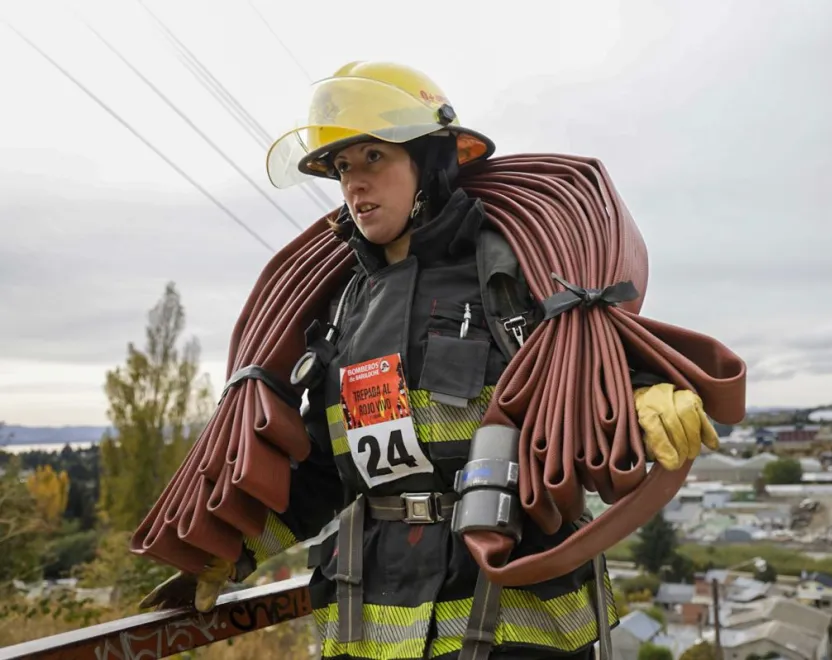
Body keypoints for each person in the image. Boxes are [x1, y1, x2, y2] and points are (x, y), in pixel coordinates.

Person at [140, 60, 718, 660]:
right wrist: (232, 550)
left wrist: (640, 389)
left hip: (518, 621)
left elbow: (583, 358)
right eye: (343, 168)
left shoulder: (509, 270)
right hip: (372, 623)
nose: (355, 184)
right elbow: (325, 471)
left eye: (374, 157)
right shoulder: (344, 307)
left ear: (431, 160)